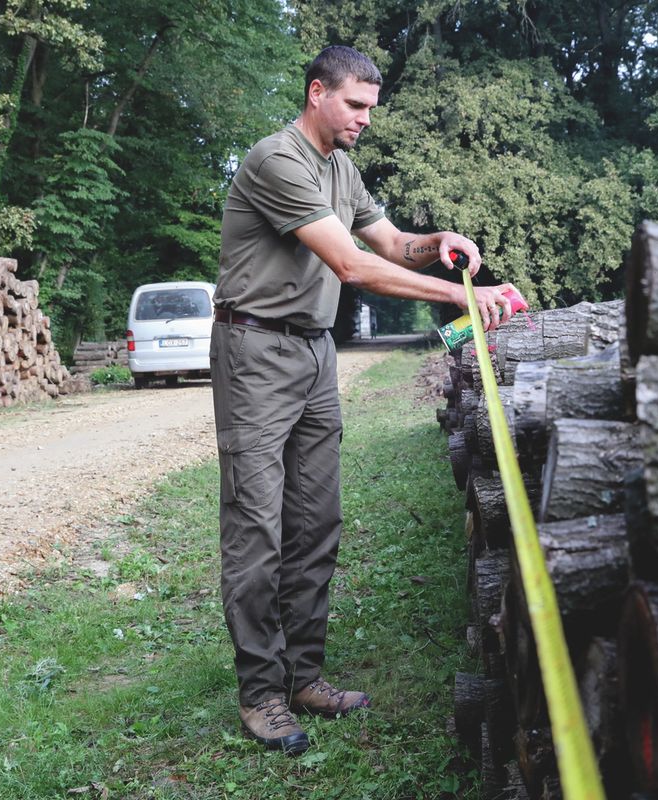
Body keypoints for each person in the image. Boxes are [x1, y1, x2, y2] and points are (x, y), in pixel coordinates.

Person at [212, 44, 515, 756]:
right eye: (355, 106)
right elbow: (352, 265)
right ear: (318, 92)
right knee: (257, 526)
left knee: (316, 520)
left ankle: (304, 677)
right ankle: (261, 694)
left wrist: (441, 242)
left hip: (315, 354)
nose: (365, 121)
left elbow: (393, 244)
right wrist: (464, 298)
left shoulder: (341, 168)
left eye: (371, 109)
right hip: (255, 352)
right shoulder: (276, 160)